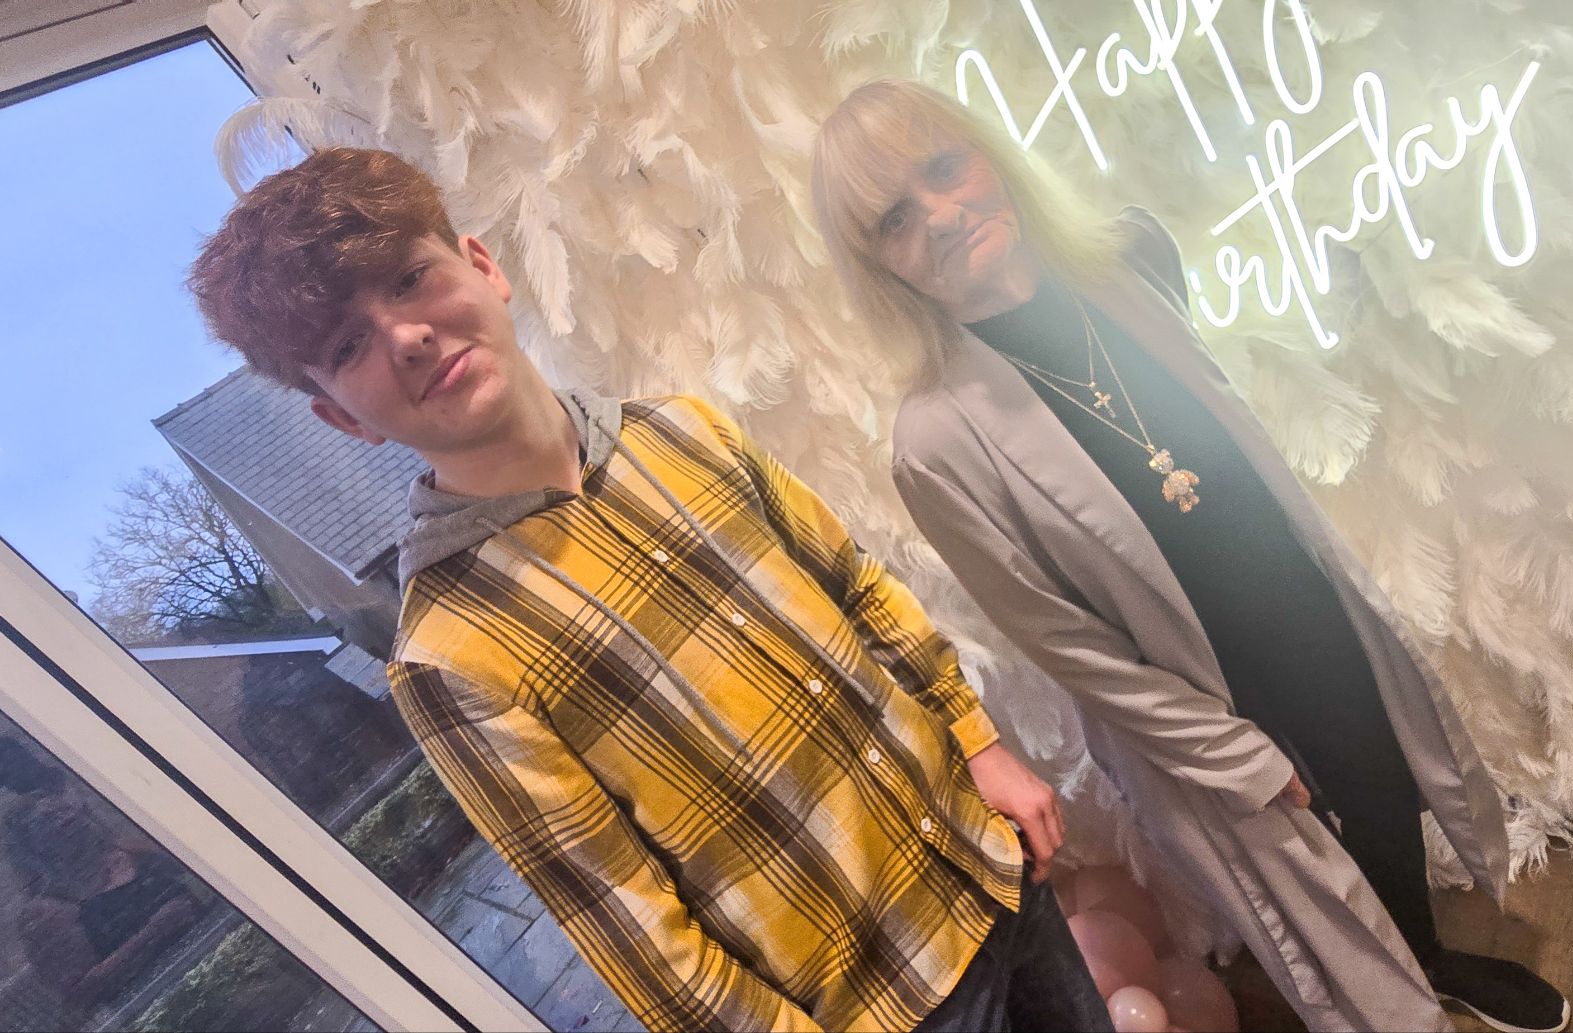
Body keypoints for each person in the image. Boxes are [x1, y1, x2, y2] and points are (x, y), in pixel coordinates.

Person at [187, 147, 1112, 1033]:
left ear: (481, 265)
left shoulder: (685, 430)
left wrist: (979, 740)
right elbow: (638, 931)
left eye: (408, 278)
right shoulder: (449, 656)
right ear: (342, 416)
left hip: (983, 862)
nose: (409, 333)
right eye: (350, 344)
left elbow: (855, 583)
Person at [812, 80, 1571, 1033]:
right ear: (880, 265)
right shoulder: (935, 442)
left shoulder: (1129, 262)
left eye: (943, 167)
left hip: (1301, 600)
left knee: (1381, 780)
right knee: (1304, 867)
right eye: (894, 217)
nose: (942, 214)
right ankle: (1393, 1003)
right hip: (1205, 685)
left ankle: (1431, 955)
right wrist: (1226, 751)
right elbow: (1067, 644)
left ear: (988, 155)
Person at [0, 746, 201, 1013]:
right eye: (50, 821)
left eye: (64, 810)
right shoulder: (45, 911)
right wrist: (152, 932)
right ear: (36, 849)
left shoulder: (130, 849)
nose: (68, 818)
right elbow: (77, 998)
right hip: (156, 1008)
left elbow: (198, 873)